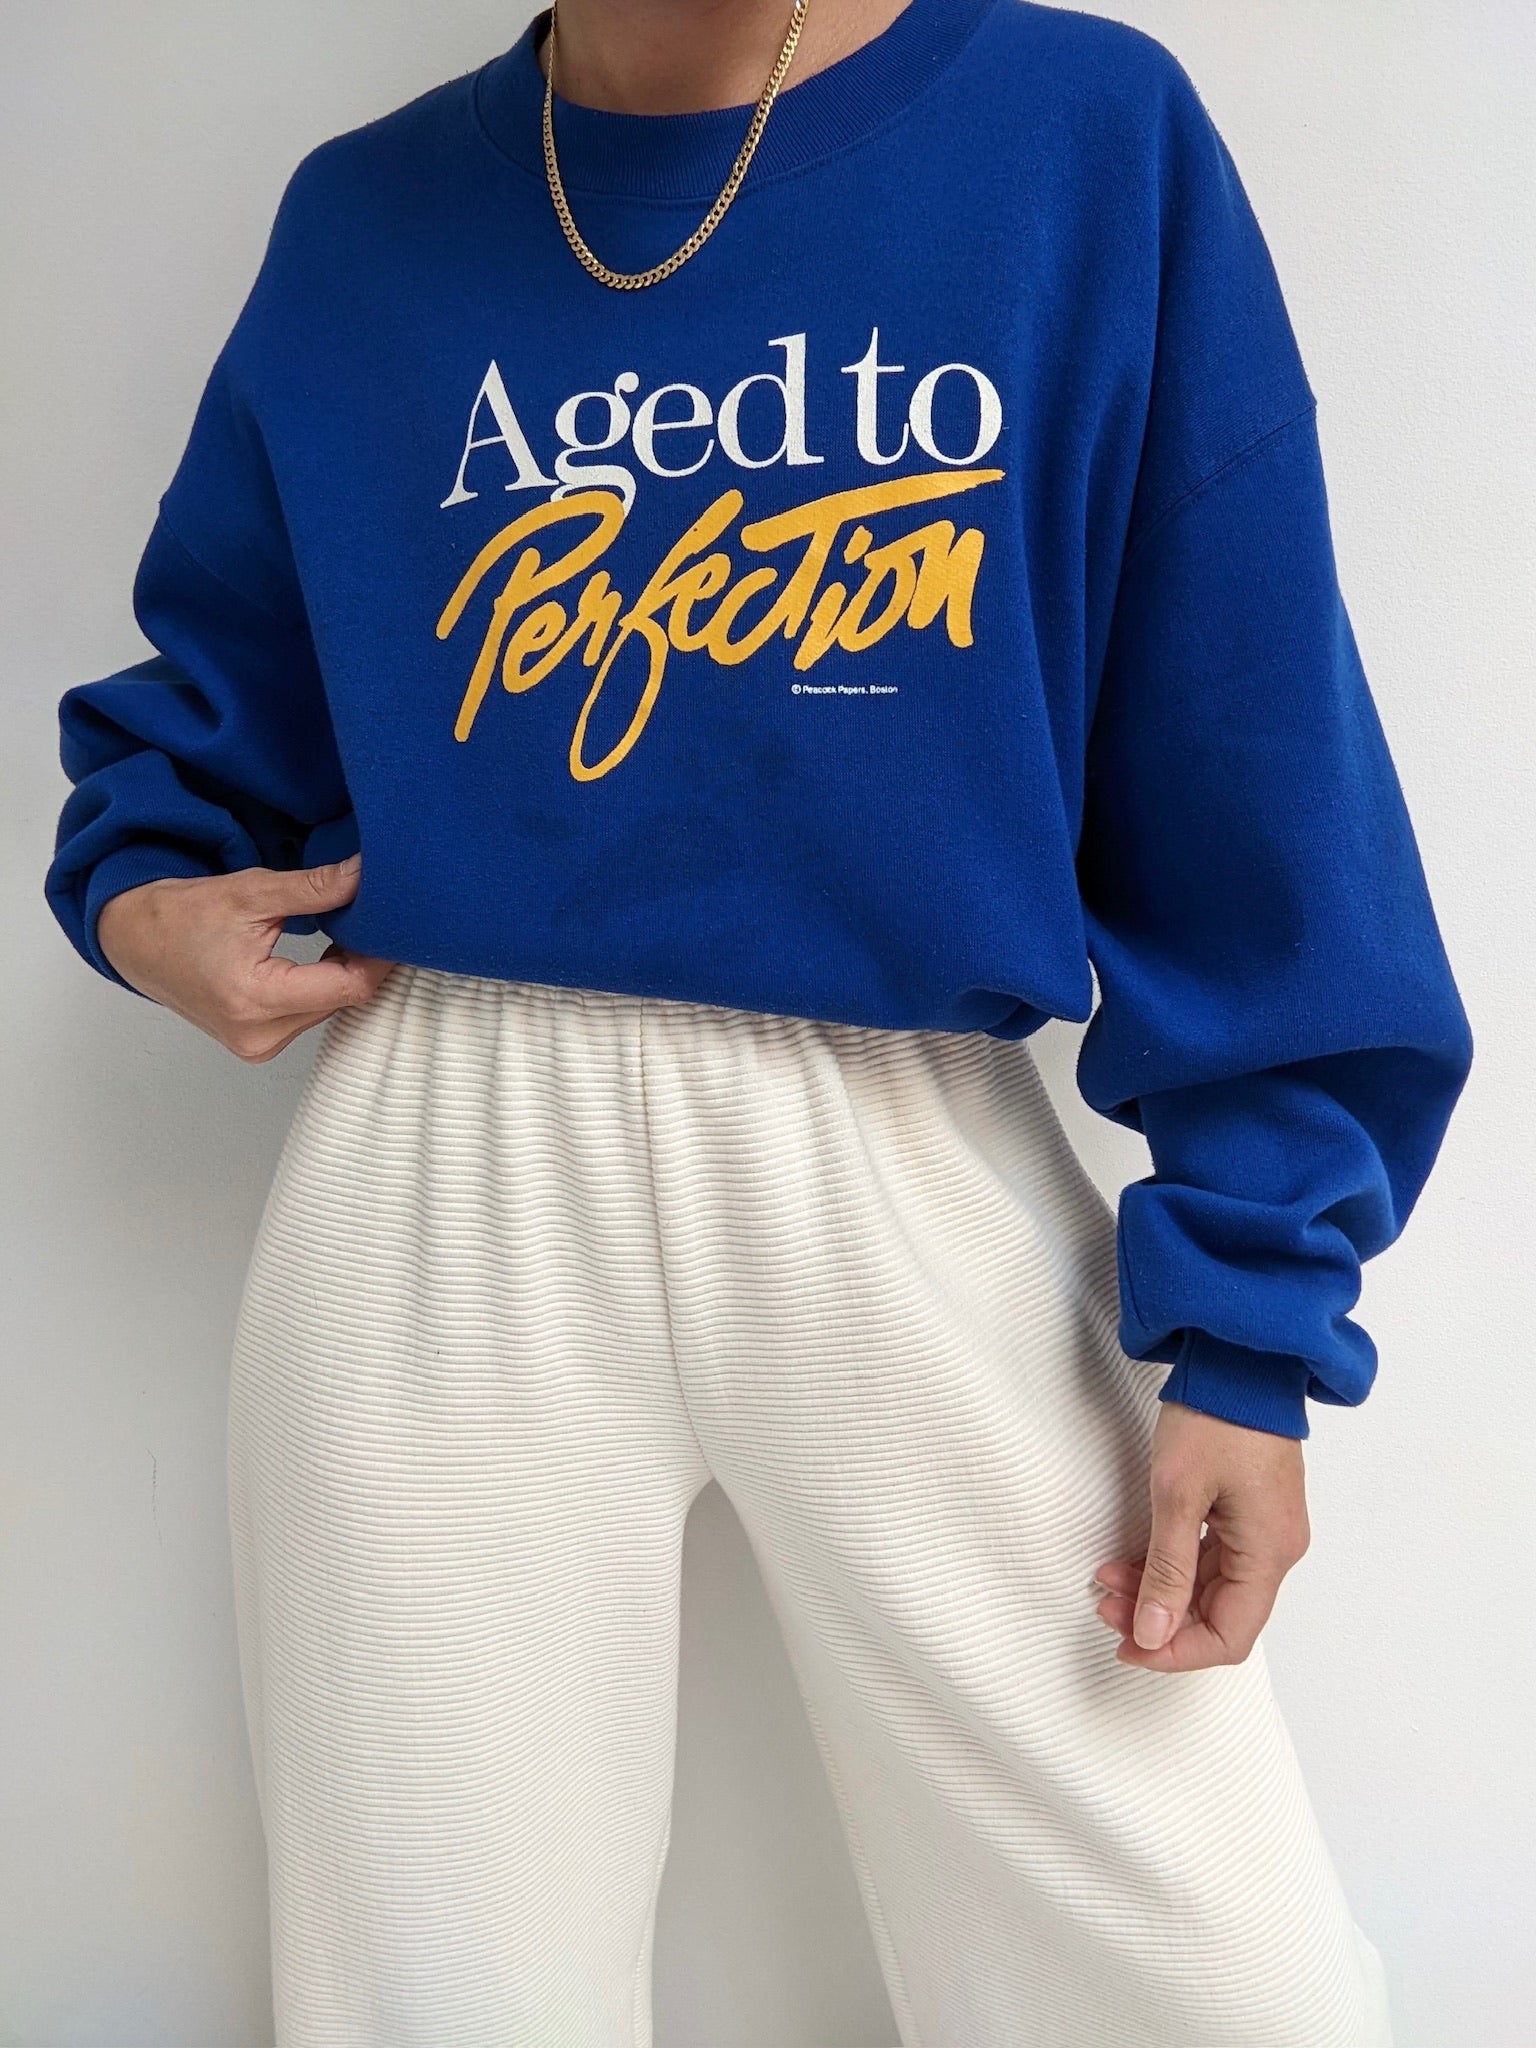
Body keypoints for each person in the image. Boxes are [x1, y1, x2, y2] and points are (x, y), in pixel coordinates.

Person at [44, 0, 1471, 2040]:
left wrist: (1254, 1329)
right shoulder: (368, 220)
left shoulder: (1081, 137)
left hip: (907, 1148)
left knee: (1211, 1980)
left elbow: (1251, 771)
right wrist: (143, 896)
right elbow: (209, 713)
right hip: (439, 1160)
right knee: (440, 1988)